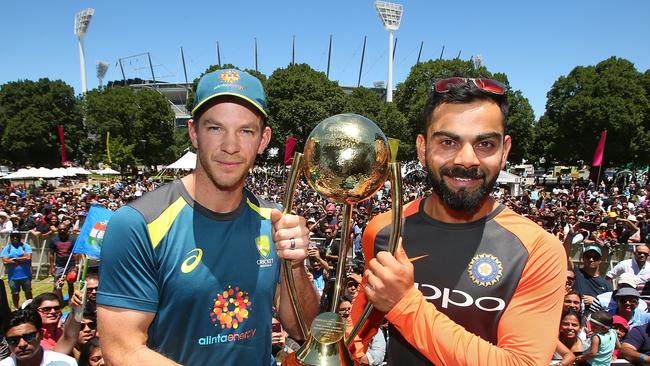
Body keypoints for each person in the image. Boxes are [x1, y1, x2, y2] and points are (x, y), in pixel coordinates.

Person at [97, 69, 319, 365]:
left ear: (263, 139)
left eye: (245, 131)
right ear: (193, 132)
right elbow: (121, 349)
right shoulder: (138, 223)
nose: (230, 145)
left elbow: (303, 329)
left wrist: (295, 267)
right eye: (215, 128)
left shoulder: (274, 219)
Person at [349, 77, 566, 365]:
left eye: (485, 143)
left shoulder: (538, 250)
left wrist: (405, 304)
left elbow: (522, 362)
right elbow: (359, 329)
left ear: (505, 151)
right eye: (448, 142)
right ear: (422, 148)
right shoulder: (384, 229)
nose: (467, 159)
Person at [0, 308, 77, 365]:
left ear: (41, 335)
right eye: (13, 340)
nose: (22, 344)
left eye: (29, 336)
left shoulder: (66, 363)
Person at [572, 245, 612, 310]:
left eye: (595, 257)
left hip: (594, 318)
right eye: (588, 257)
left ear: (600, 260)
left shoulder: (606, 285)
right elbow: (566, 256)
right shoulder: (576, 273)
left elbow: (611, 306)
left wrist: (596, 301)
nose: (591, 259)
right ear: (583, 258)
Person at [1, 232, 32, 309]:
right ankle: (16, 308)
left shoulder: (25, 246)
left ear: (20, 237)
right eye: (13, 237)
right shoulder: (7, 248)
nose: (15, 238)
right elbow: (4, 260)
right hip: (13, 277)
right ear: (10, 238)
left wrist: (13, 259)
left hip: (26, 275)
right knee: (15, 293)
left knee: (28, 292)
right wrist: (21, 258)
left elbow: (28, 257)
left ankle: (30, 307)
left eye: (17, 237)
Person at [48, 224, 77, 304]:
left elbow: (76, 253)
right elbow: (51, 254)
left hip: (70, 265)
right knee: (57, 285)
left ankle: (71, 300)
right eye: (60, 229)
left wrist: (76, 266)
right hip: (59, 265)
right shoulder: (54, 240)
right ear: (58, 230)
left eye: (64, 229)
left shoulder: (72, 239)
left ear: (67, 229)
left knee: (70, 283)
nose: (62, 231)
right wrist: (52, 267)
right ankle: (59, 301)